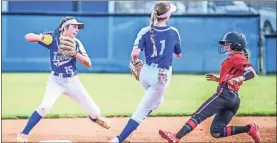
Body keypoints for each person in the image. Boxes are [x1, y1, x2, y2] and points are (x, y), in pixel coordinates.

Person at [16, 17, 110, 142]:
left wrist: (75, 53)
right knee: (45, 106)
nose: (77, 30)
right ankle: (24, 133)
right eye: (74, 26)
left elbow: (88, 64)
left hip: (72, 82)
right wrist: (41, 37)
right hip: (56, 81)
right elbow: (28, 37)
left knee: (95, 112)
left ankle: (93, 118)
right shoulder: (53, 40)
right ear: (65, 27)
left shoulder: (76, 43)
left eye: (78, 27)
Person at [159, 31, 261, 143]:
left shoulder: (237, 57)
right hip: (234, 100)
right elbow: (234, 74)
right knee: (216, 132)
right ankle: (250, 128)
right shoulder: (236, 58)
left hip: (224, 95)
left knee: (198, 116)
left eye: (228, 43)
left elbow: (251, 72)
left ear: (237, 45)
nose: (225, 46)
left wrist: (239, 79)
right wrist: (219, 78)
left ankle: (176, 137)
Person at [110, 1, 182, 143]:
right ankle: (118, 139)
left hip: (146, 73)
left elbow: (135, 54)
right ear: (167, 16)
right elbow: (178, 54)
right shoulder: (173, 32)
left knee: (157, 101)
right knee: (142, 111)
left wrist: (135, 62)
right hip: (161, 76)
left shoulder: (145, 31)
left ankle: (127, 132)